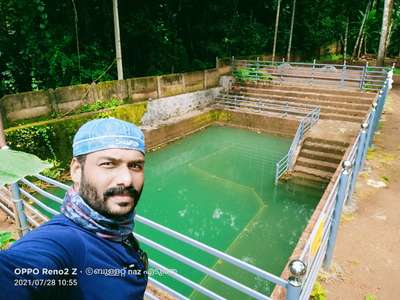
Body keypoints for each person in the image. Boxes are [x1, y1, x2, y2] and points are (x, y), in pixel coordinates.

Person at [0, 118, 149, 299]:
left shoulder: (117, 230)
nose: (126, 179)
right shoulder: (63, 243)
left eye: (135, 166)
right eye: (108, 164)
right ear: (77, 170)